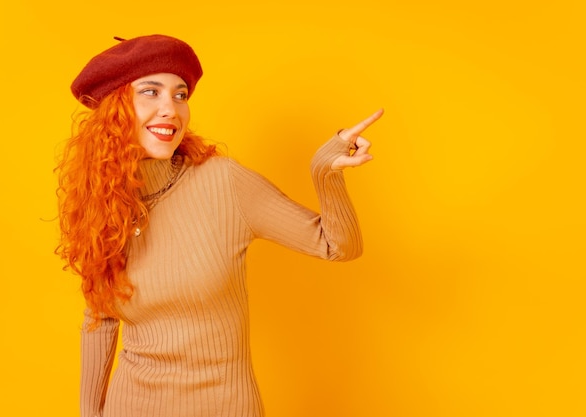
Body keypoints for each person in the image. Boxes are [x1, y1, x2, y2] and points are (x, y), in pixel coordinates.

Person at [56, 34, 383, 417]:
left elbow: (338, 246)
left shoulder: (224, 183)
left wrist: (324, 173)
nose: (171, 109)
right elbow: (100, 315)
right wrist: (88, 413)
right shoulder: (103, 200)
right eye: (151, 92)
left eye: (180, 95)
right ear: (115, 108)